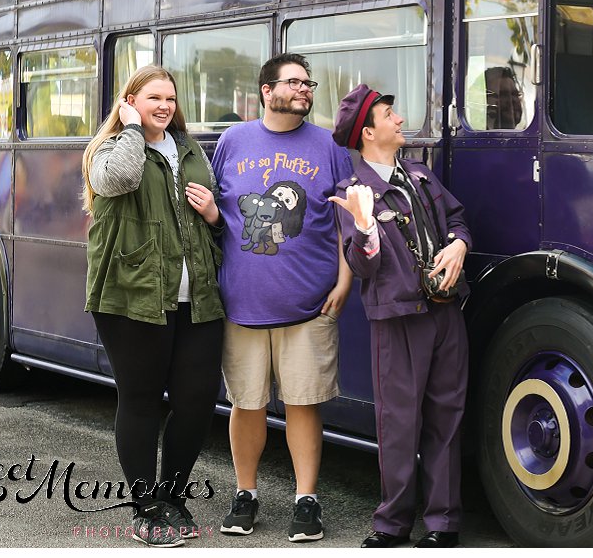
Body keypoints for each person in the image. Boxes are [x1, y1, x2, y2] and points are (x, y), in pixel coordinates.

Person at [82, 66, 226, 546]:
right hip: (133, 298)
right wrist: (128, 128)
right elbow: (120, 179)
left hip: (196, 299)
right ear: (130, 101)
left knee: (196, 402)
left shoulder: (188, 148)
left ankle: (174, 498)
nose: (164, 105)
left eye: (170, 97)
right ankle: (145, 508)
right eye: (153, 97)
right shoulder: (109, 150)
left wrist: (213, 213)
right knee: (141, 400)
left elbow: (211, 219)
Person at [212, 54, 352, 542]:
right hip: (242, 305)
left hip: (309, 305)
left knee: (303, 403)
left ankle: (306, 500)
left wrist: (344, 279)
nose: (305, 89)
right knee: (245, 404)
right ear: (266, 91)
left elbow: (346, 221)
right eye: (294, 82)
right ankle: (245, 494)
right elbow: (218, 213)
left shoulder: (329, 146)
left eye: (308, 82)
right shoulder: (232, 142)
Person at [329, 88, 471, 549]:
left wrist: (459, 245)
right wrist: (366, 227)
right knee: (399, 423)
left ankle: (442, 524)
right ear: (368, 133)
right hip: (398, 318)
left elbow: (458, 218)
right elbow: (364, 266)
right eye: (391, 115)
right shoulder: (353, 194)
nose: (400, 119)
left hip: (445, 312)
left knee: (446, 418)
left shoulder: (421, 175)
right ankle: (392, 524)